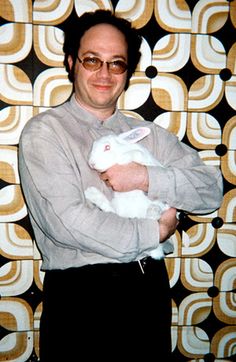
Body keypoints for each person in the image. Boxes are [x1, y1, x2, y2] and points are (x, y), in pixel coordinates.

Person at [18, 9, 223, 361]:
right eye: (92, 60)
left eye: (116, 64)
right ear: (71, 63)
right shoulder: (45, 132)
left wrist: (145, 177)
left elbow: (210, 192)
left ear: (127, 73)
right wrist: (154, 232)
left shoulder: (150, 135)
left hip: (148, 289)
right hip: (82, 299)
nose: (104, 73)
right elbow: (67, 223)